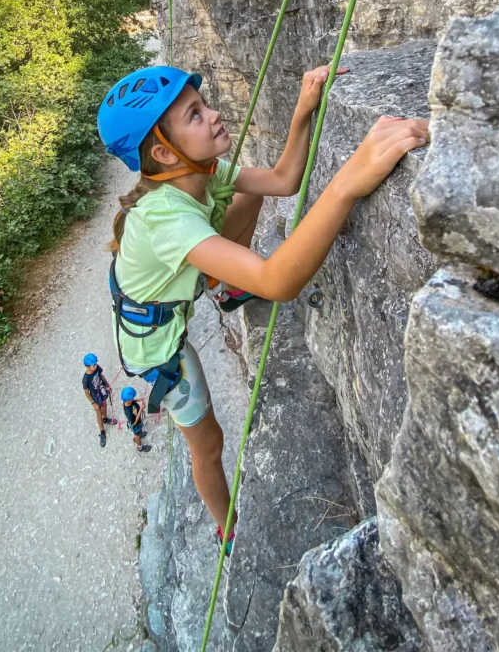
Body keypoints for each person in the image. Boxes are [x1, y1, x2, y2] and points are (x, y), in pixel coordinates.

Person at [97, 64, 428, 555]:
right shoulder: (164, 218)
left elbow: (282, 179)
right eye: (195, 114)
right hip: (156, 344)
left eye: (203, 105)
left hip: (168, 289)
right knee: (208, 444)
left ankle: (226, 287)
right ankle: (227, 528)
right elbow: (278, 282)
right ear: (164, 152)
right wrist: (348, 182)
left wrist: (303, 109)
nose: (214, 114)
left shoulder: (202, 172)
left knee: (247, 193)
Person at [82, 353, 115, 448]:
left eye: (96, 364)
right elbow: (86, 392)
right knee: (98, 414)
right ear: (87, 367)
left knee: (104, 404)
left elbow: (101, 375)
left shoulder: (96, 368)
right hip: (95, 396)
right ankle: (102, 431)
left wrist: (108, 385)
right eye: (93, 365)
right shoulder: (86, 379)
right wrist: (93, 403)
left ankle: (105, 419)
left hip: (101, 390)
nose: (96, 366)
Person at [121, 386, 151, 453]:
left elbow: (132, 401)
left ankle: (140, 435)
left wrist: (138, 400)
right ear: (128, 400)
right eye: (131, 399)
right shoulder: (128, 412)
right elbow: (134, 422)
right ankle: (140, 447)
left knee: (139, 431)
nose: (133, 399)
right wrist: (141, 409)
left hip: (137, 420)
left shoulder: (127, 401)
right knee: (137, 434)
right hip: (135, 424)